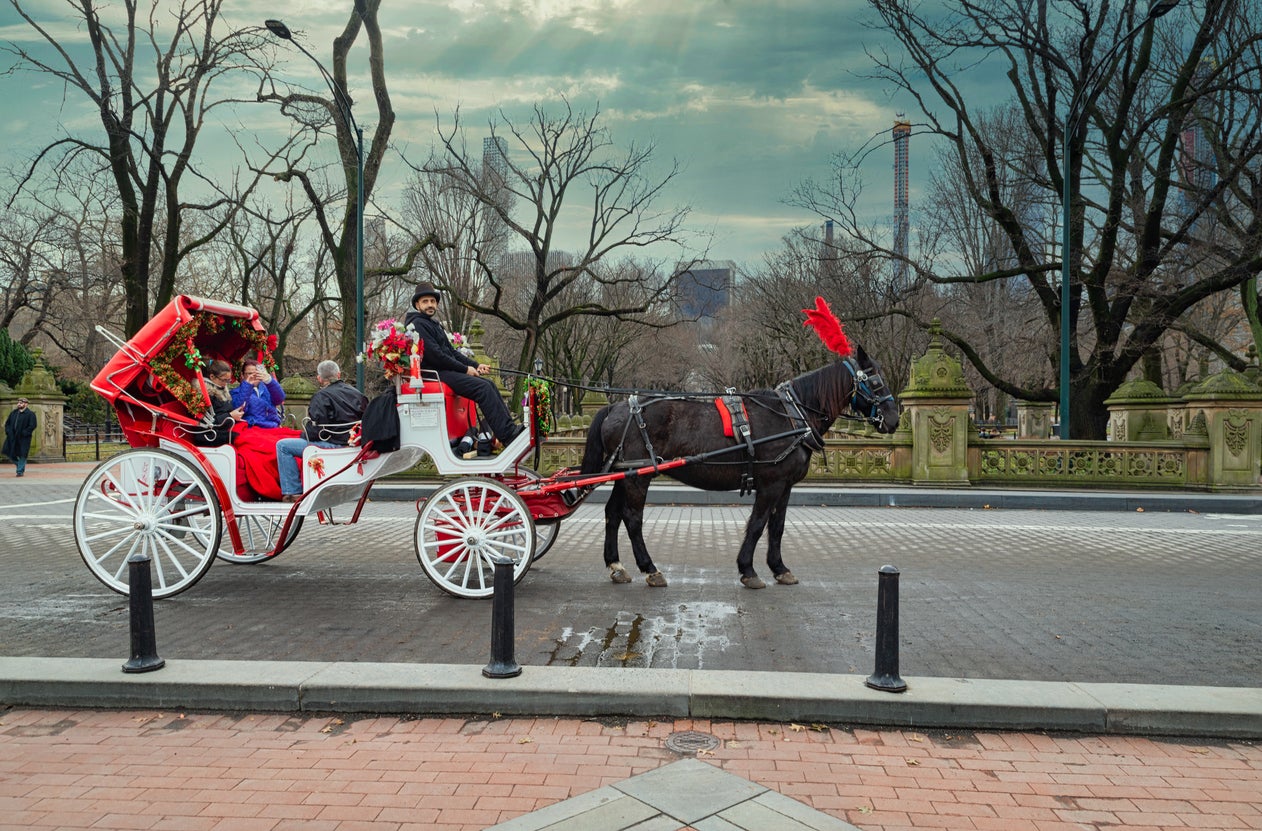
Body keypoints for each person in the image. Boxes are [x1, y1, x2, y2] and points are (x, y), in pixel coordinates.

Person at [403, 282, 523, 447]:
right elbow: (437, 356)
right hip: (435, 374)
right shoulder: (418, 324)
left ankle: (509, 430)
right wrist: (466, 369)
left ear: (436, 303)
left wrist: (476, 364)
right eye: (425, 301)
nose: (430, 304)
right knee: (483, 389)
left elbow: (451, 352)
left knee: (488, 383)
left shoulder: (433, 324)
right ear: (417, 305)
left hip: (444, 371)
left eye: (432, 301)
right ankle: (507, 435)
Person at [276, 360, 368, 502]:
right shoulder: (357, 394)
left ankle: (292, 491)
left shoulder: (321, 396)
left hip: (334, 445)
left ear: (319, 378)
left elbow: (318, 432)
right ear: (338, 374)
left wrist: (303, 434)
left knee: (283, 446)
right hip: (354, 445)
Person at [192, 360, 244, 447]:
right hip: (209, 435)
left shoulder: (220, 388)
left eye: (228, 380)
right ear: (212, 377)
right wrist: (230, 415)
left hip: (224, 428)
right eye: (224, 380)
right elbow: (205, 423)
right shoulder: (203, 394)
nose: (226, 384)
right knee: (245, 439)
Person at [231, 358, 285, 428]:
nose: (254, 376)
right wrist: (247, 385)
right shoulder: (236, 392)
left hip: (273, 426)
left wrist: (270, 381)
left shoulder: (267, 389)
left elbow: (279, 399)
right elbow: (240, 409)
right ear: (242, 375)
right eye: (250, 373)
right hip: (253, 427)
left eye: (257, 373)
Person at [2, 397, 37, 477]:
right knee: (9, 452)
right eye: (18, 403)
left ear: (26, 404)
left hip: (24, 438)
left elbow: (32, 425)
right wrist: (8, 431)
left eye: (21, 403)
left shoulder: (30, 414)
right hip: (12, 437)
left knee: (22, 454)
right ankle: (19, 465)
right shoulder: (14, 413)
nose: (19, 404)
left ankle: (19, 471)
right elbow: (7, 424)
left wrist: (25, 433)